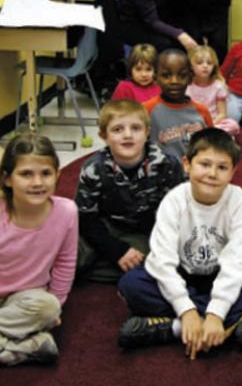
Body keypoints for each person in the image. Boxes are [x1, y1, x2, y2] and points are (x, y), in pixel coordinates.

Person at [117, 128, 242, 358]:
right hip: (183, 274)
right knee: (131, 284)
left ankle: (177, 328)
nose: (212, 174)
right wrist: (186, 310)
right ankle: (227, 324)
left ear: (233, 171)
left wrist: (216, 313)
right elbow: (162, 260)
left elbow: (237, 264)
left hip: (226, 276)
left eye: (222, 167)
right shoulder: (174, 200)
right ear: (187, 164)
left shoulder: (241, 203)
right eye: (204, 164)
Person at [75, 99, 184, 282]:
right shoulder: (93, 168)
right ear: (104, 136)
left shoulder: (168, 163)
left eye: (136, 128)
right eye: (118, 129)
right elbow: (85, 218)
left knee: (161, 262)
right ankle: (110, 266)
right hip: (105, 228)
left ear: (147, 132)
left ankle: (103, 270)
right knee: (70, 255)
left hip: (145, 232)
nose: (128, 135)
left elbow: (179, 211)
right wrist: (116, 250)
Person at [0, 134, 78, 366]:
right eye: (26, 174)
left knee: (49, 307)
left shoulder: (66, 211)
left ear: (58, 175)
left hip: (28, 299)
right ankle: (24, 346)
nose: (37, 182)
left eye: (45, 173)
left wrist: (56, 308)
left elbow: (66, 261)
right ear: (7, 179)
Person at [144, 49, 213, 161]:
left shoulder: (202, 111)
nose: (174, 81)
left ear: (190, 78)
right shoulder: (146, 110)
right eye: (166, 75)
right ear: (155, 78)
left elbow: (212, 146)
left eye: (182, 75)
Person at [186, 45, 239, 136]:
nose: (205, 66)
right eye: (199, 63)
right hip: (192, 122)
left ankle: (206, 134)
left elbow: (222, 114)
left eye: (209, 63)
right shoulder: (187, 85)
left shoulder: (218, 86)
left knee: (233, 126)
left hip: (214, 122)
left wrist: (210, 125)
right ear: (191, 66)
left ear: (214, 66)